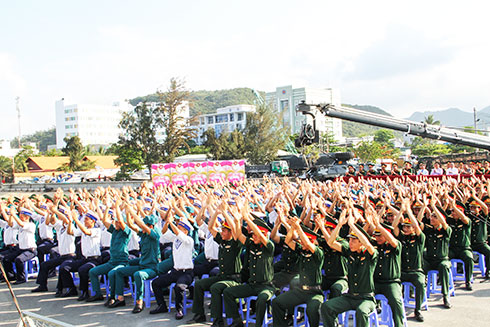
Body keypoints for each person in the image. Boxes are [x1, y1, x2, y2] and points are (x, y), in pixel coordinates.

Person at [320, 207, 378, 327]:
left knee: (361, 312)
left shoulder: (370, 254)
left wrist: (353, 225)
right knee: (327, 307)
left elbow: (368, 244)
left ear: (361, 243)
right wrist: (339, 225)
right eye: (350, 240)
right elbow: (331, 243)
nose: (350, 243)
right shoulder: (350, 252)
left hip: (366, 299)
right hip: (350, 297)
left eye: (354, 241)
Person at [189, 202, 243, 327]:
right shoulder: (222, 241)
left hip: (233, 278)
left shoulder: (235, 243)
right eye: (222, 230)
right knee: (199, 284)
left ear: (230, 232)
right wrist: (216, 213)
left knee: (215, 288)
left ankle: (217, 320)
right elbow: (211, 227)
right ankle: (199, 314)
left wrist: (225, 212)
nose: (222, 233)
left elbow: (236, 231)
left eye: (224, 231)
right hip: (222, 276)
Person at [223, 213, 275, 327]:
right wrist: (237, 220)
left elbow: (260, 236)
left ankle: (259, 325)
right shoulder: (251, 245)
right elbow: (239, 235)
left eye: (255, 235)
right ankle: (237, 321)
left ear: (264, 235)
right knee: (228, 292)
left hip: (266, 286)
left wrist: (247, 217)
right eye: (252, 235)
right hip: (253, 285)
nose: (253, 237)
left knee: (262, 299)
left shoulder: (269, 247)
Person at [272, 221, 324, 327]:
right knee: (277, 302)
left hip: (314, 292)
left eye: (303, 240)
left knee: (312, 309)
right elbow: (287, 241)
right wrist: (292, 227)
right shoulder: (301, 250)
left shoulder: (318, 253)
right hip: (300, 291)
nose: (301, 242)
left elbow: (308, 244)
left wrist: (299, 228)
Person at [110, 202, 161, 313]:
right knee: (119, 271)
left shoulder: (155, 235)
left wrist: (133, 211)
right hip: (142, 265)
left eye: (145, 225)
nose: (142, 226)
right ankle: (120, 298)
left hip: (152, 268)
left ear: (150, 227)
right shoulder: (144, 234)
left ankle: (139, 301)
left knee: (138, 275)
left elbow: (141, 225)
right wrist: (128, 212)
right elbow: (131, 225)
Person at [150, 210, 195, 319]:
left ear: (185, 231)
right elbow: (164, 232)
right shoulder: (175, 239)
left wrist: (171, 223)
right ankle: (162, 305)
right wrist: (167, 222)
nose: (178, 229)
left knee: (178, 287)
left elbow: (178, 234)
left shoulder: (188, 240)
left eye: (180, 228)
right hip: (176, 271)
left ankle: (179, 309)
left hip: (186, 272)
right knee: (156, 283)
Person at [87, 199, 131, 303]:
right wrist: (107, 207)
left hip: (122, 262)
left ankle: (113, 297)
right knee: (93, 272)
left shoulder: (126, 231)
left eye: (116, 222)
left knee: (112, 274)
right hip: (112, 261)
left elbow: (120, 220)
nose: (115, 223)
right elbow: (104, 220)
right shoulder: (115, 231)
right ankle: (97, 294)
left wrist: (116, 207)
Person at [394, 199, 426, 322]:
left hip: (415, 271)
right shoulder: (401, 237)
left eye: (408, 227)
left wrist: (408, 211)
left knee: (420, 283)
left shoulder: (419, 238)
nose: (406, 229)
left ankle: (417, 310)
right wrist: (401, 211)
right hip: (402, 271)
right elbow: (394, 226)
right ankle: (395, 308)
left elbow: (417, 226)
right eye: (405, 226)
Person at [58, 209, 101, 300]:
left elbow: (86, 232)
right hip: (85, 259)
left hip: (95, 259)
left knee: (83, 270)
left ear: (93, 221)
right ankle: (71, 288)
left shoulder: (96, 230)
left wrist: (75, 219)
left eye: (86, 219)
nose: (84, 221)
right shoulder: (82, 230)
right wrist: (70, 221)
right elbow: (70, 232)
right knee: (64, 267)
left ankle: (85, 292)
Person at [422, 199, 452, 308]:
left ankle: (445, 295)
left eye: (435, 217)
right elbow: (417, 223)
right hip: (429, 260)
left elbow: (444, 223)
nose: (431, 218)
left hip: (442, 260)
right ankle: (419, 294)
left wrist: (434, 207)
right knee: (418, 268)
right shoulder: (429, 230)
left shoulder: (445, 230)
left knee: (444, 267)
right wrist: (424, 206)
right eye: (431, 216)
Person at [1, 206, 37, 284]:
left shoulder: (30, 225)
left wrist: (14, 215)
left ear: (27, 217)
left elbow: (21, 225)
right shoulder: (20, 224)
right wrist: (10, 215)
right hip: (21, 249)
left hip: (30, 250)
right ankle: (11, 276)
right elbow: (10, 224)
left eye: (22, 216)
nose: (20, 217)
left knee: (19, 260)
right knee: (6, 259)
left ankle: (21, 278)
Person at [446, 198, 473, 290]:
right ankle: (443, 279)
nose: (453, 213)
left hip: (464, 248)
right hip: (452, 248)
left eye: (455, 211)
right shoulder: (450, 220)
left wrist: (454, 207)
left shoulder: (466, 220)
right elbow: (442, 216)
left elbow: (464, 219)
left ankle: (468, 280)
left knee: (469, 258)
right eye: (452, 211)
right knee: (443, 259)